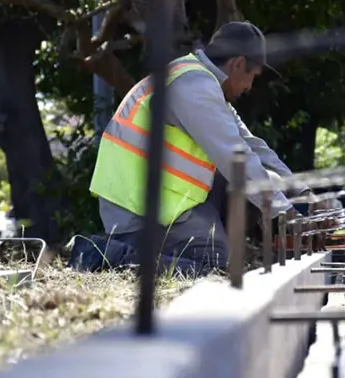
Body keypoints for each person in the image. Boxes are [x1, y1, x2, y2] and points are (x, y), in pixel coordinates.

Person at [79, 21, 329, 275]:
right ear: (238, 64)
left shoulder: (199, 81)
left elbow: (253, 146)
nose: (249, 87)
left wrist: (302, 193)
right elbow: (236, 157)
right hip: (136, 210)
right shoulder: (195, 87)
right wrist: (285, 213)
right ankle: (107, 254)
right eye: (252, 76)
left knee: (262, 184)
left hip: (162, 198)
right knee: (214, 266)